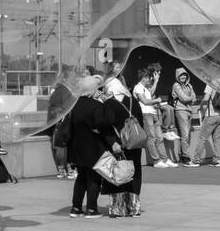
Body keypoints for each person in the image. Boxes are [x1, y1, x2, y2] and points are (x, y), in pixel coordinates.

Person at [66, 74, 120, 218]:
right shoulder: (96, 106)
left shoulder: (74, 105)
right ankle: (91, 209)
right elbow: (105, 123)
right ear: (92, 90)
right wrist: (106, 102)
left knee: (81, 177)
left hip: (77, 147)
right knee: (94, 178)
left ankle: (76, 208)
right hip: (93, 147)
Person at [101, 71, 145, 217]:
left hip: (118, 145)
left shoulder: (109, 103)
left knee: (118, 174)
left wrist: (112, 142)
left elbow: (107, 125)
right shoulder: (133, 101)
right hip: (135, 143)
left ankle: (118, 209)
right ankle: (134, 208)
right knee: (134, 173)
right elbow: (141, 121)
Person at [133, 66, 174, 169]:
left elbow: (150, 96)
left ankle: (165, 159)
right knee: (151, 138)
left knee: (159, 138)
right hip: (146, 114)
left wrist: (156, 81)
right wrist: (157, 100)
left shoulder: (146, 88)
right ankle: (156, 161)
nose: (150, 79)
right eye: (148, 77)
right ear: (143, 77)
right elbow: (145, 101)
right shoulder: (138, 87)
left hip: (153, 113)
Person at [189, 76, 220, 166]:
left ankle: (195, 160)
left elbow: (206, 99)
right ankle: (217, 160)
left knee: (202, 138)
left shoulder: (211, 84)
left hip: (211, 116)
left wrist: (200, 105)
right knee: (217, 139)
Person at [170, 69, 197, 166]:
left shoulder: (189, 85)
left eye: (184, 75)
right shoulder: (176, 85)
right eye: (181, 75)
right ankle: (186, 157)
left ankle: (183, 155)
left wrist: (190, 99)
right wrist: (190, 98)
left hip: (189, 110)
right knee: (185, 135)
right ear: (177, 76)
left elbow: (195, 97)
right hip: (181, 110)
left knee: (187, 135)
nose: (183, 77)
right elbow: (183, 98)